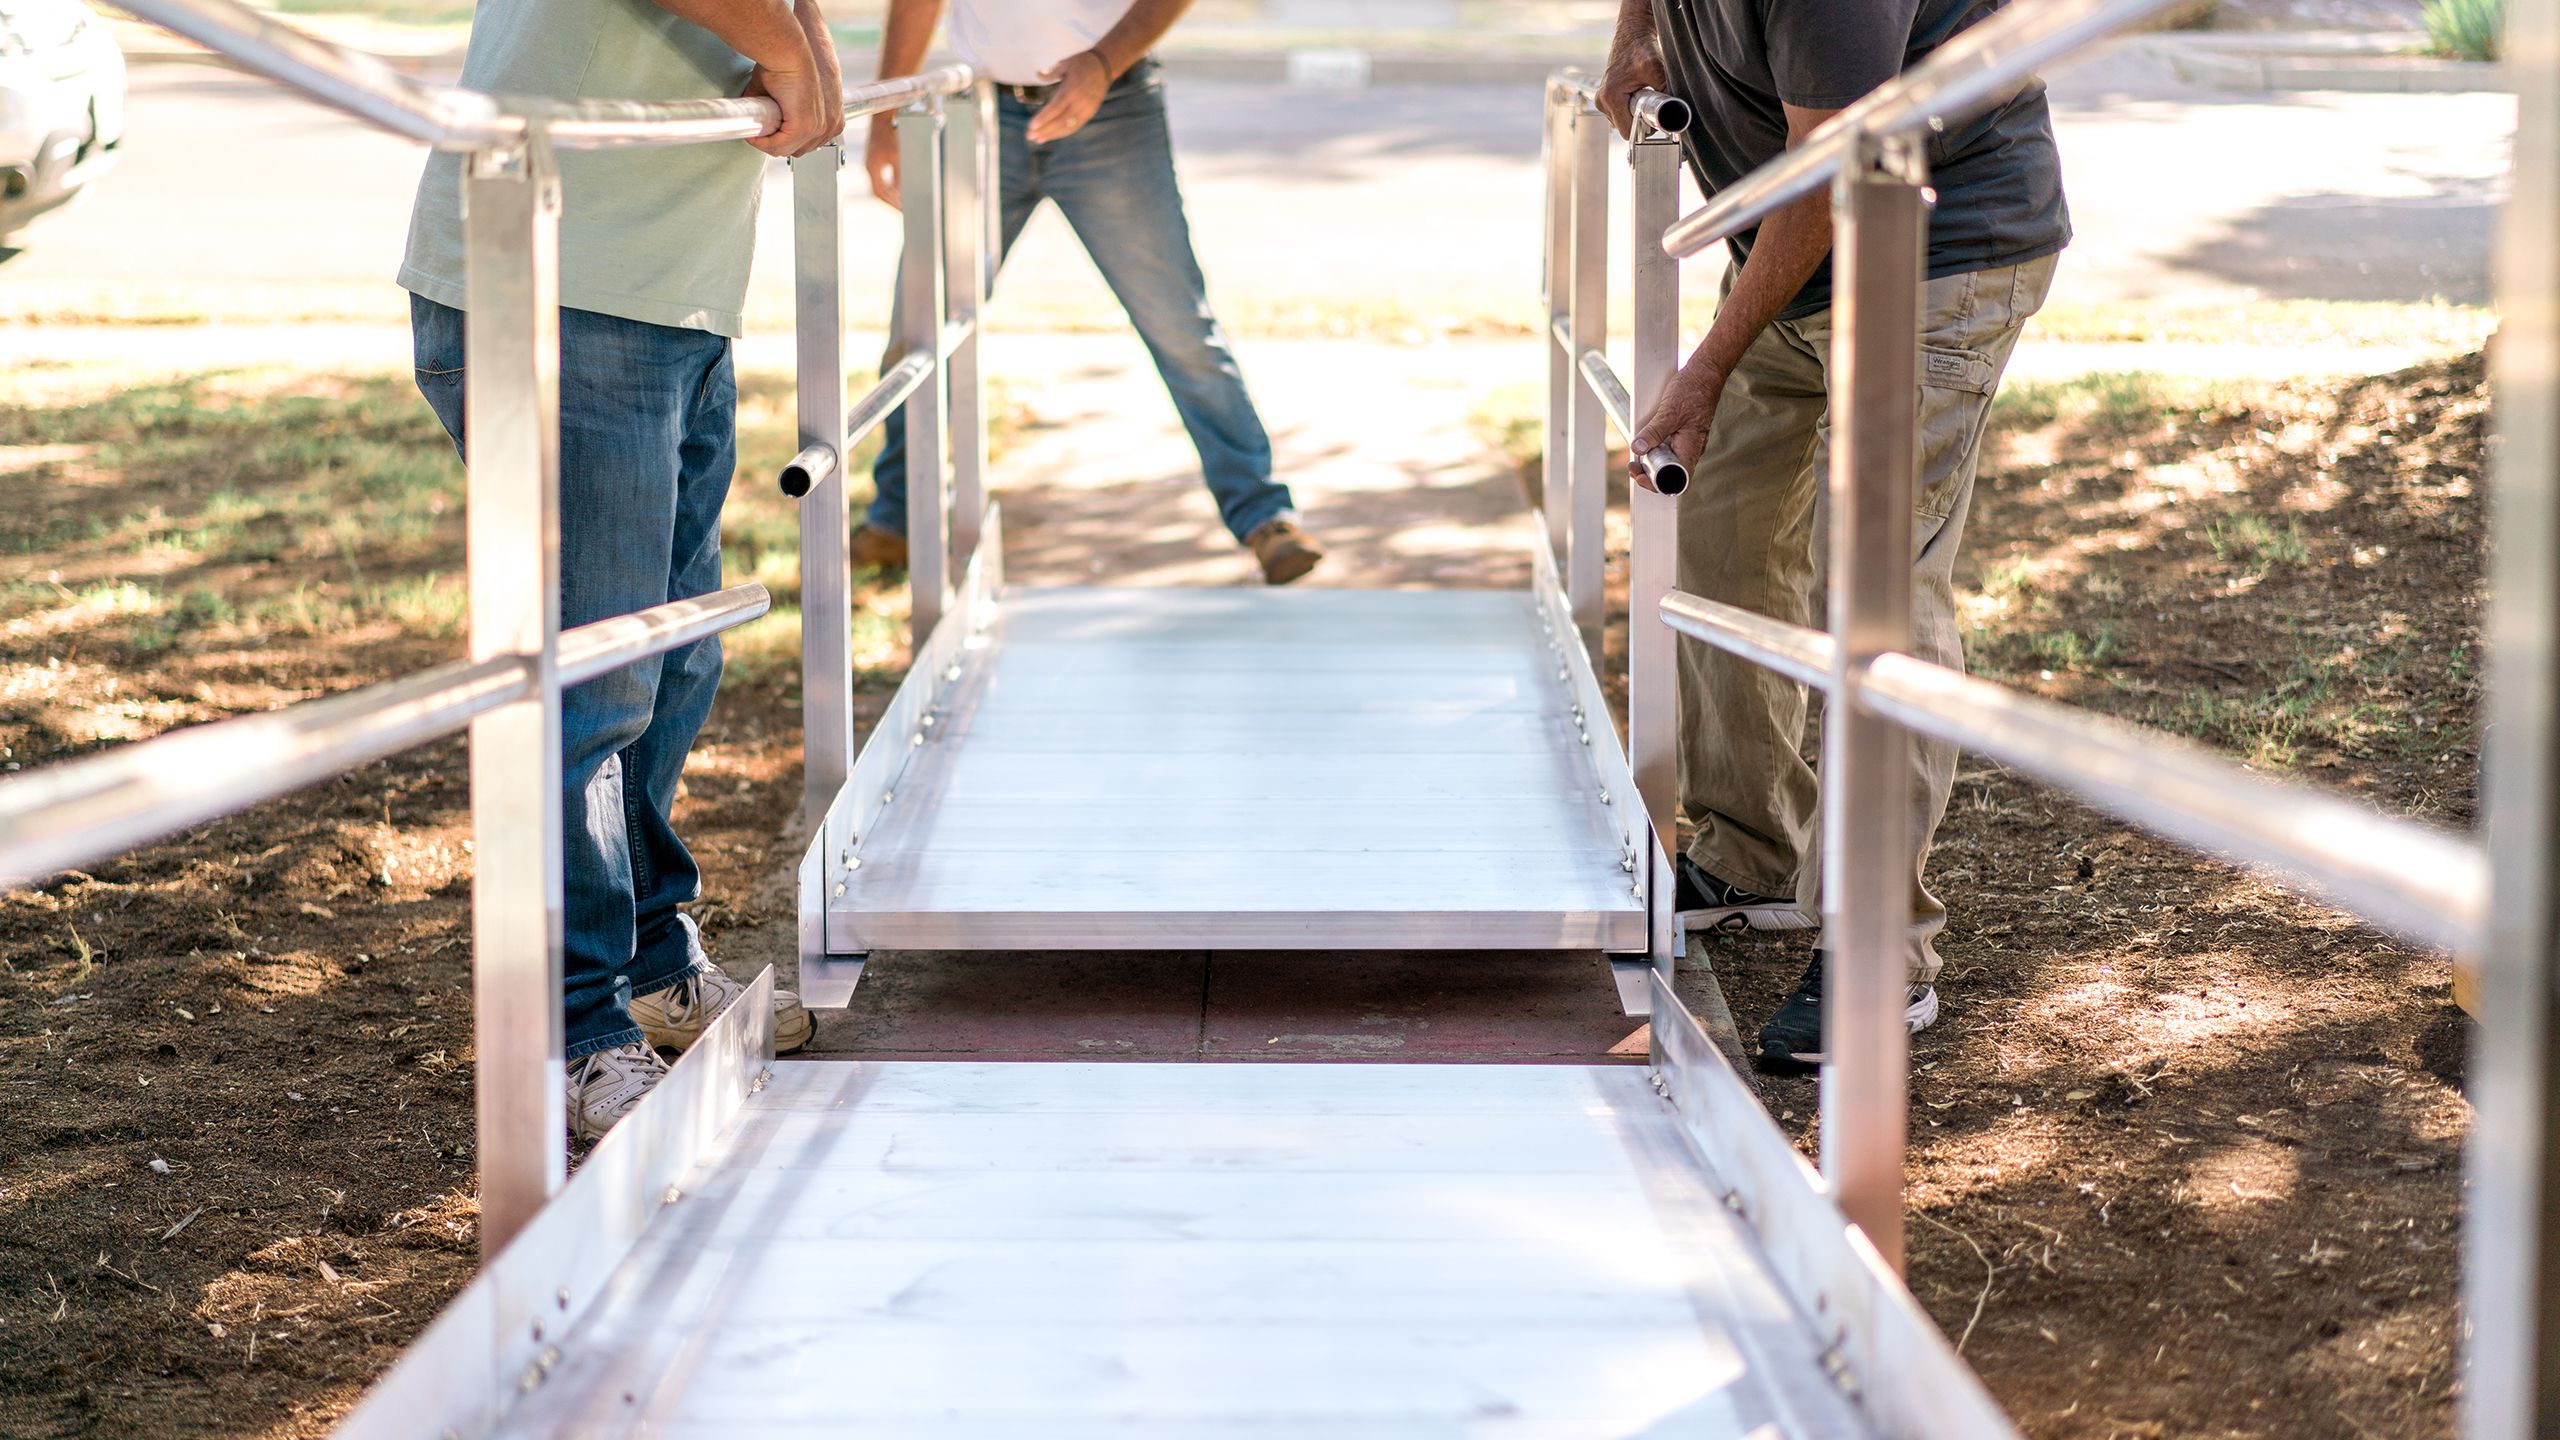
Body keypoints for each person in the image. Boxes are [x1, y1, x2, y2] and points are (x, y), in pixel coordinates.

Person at [1598, 0, 2067, 1068]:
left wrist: (1705, 363)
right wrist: (1632, 36)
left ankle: (1875, 955)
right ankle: (1750, 849)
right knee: (1719, 535)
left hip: (1930, 255)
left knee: (1877, 589)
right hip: (1792, 253)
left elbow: (1830, 169)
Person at [398, 0, 830, 1138]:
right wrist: (790, 57)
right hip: (558, 283)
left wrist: (811, 57)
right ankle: (576, 1026)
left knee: (674, 661)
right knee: (595, 685)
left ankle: (644, 948)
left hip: (668, 292)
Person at [855, 0, 1324, 586]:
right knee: (919, 324)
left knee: (1180, 326)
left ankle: (1264, 515)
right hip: (980, 113)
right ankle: (897, 519)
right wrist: (884, 117)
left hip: (1113, 108)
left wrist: (1103, 61)